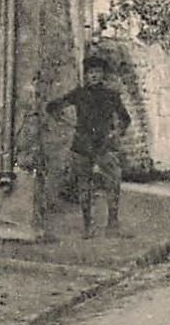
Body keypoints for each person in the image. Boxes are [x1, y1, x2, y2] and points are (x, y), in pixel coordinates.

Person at [46, 55, 131, 239]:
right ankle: (87, 228)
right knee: (84, 186)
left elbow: (125, 119)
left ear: (103, 75)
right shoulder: (79, 94)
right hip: (82, 144)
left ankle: (112, 225)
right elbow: (52, 107)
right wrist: (67, 122)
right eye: (90, 72)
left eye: (97, 72)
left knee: (113, 182)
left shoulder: (111, 95)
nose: (94, 76)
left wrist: (116, 133)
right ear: (86, 75)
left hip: (104, 145)